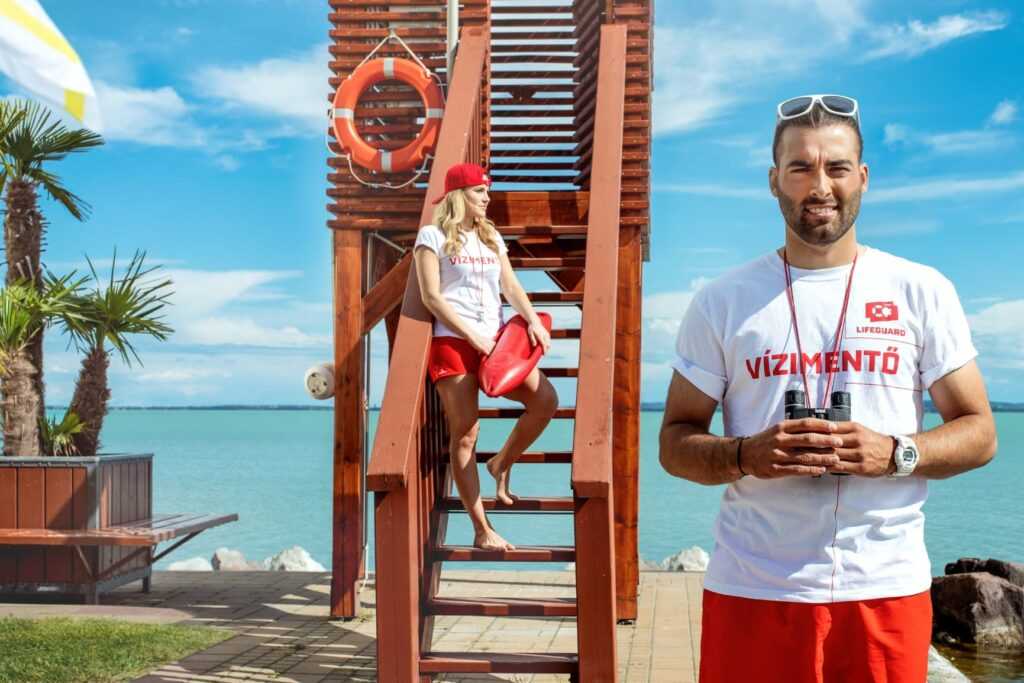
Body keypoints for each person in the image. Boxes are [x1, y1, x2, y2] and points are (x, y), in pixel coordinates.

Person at [658, 95, 998, 682]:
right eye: (801, 167)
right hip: (753, 587)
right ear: (774, 181)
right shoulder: (723, 300)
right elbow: (673, 441)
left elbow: (981, 432)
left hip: (884, 589)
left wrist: (894, 453)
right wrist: (746, 455)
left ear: (862, 177)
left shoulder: (920, 289)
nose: (820, 186)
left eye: (836, 167)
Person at [414, 162, 558, 551]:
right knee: (466, 434)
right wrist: (473, 336)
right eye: (480, 191)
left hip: (497, 343)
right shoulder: (432, 236)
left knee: (545, 400)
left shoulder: (490, 235)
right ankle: (482, 530)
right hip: (455, 342)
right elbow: (431, 297)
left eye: (487, 190)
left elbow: (510, 285)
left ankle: (501, 462)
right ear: (459, 195)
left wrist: (533, 321)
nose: (487, 197)